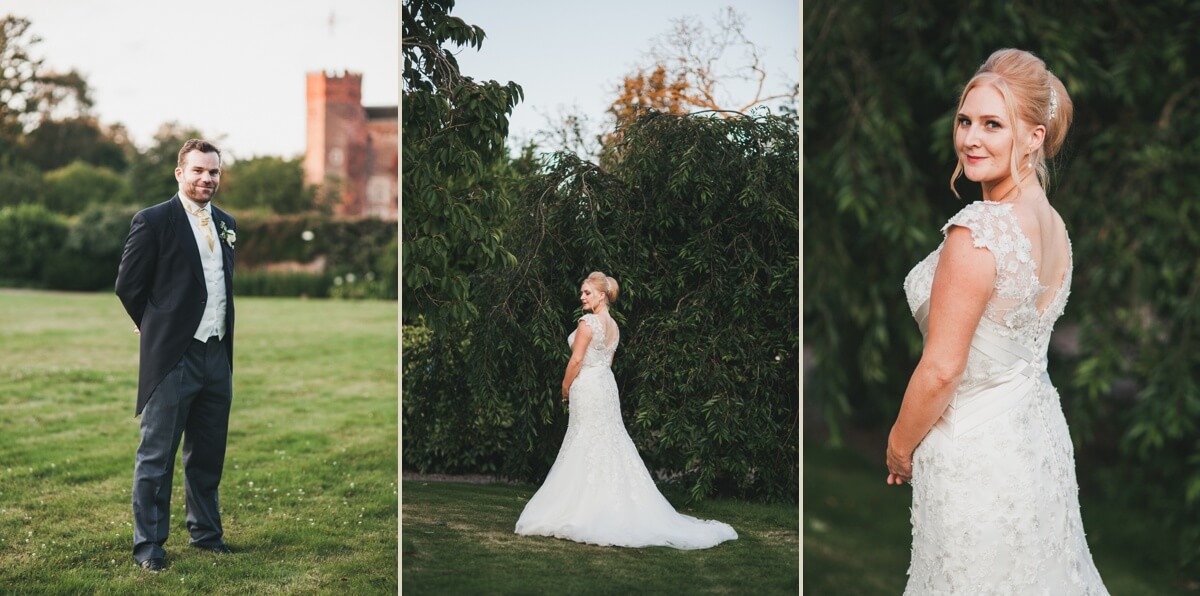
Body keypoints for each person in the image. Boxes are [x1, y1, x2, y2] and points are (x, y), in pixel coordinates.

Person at [885, 49, 1108, 593]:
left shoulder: (978, 229)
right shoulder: (1054, 227)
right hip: (1036, 442)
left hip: (975, 452)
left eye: (992, 125)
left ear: (1034, 137)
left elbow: (941, 368)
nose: (970, 139)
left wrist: (898, 443)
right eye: (965, 121)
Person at [514, 272, 737, 549]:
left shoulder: (587, 323)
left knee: (586, 440)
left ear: (601, 295)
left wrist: (564, 388)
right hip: (606, 386)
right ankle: (605, 506)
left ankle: (585, 510)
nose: (582, 297)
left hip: (588, 386)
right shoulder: (614, 326)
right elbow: (608, 361)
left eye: (587, 292)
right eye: (582, 293)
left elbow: (576, 360)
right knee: (607, 440)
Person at [116, 139, 237, 572]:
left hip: (217, 355)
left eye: (214, 172)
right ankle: (149, 546)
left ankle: (206, 535)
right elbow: (128, 285)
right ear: (179, 173)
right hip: (173, 358)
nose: (207, 178)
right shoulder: (153, 220)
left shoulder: (225, 222)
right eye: (199, 171)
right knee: (157, 456)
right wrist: (153, 325)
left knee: (207, 453)